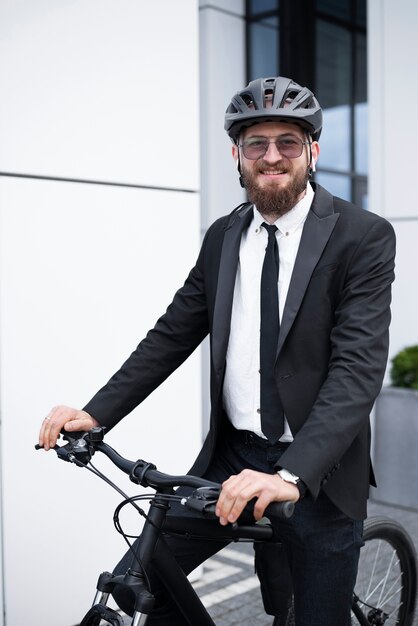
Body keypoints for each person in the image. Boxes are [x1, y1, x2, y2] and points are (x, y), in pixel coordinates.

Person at [39, 76, 396, 626]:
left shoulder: (362, 235)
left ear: (312, 152)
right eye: (257, 143)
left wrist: (292, 475)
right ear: (238, 154)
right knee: (144, 586)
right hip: (233, 459)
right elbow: (173, 332)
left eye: (287, 142)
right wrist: (97, 411)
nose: (271, 156)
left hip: (318, 473)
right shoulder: (223, 235)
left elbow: (357, 370)